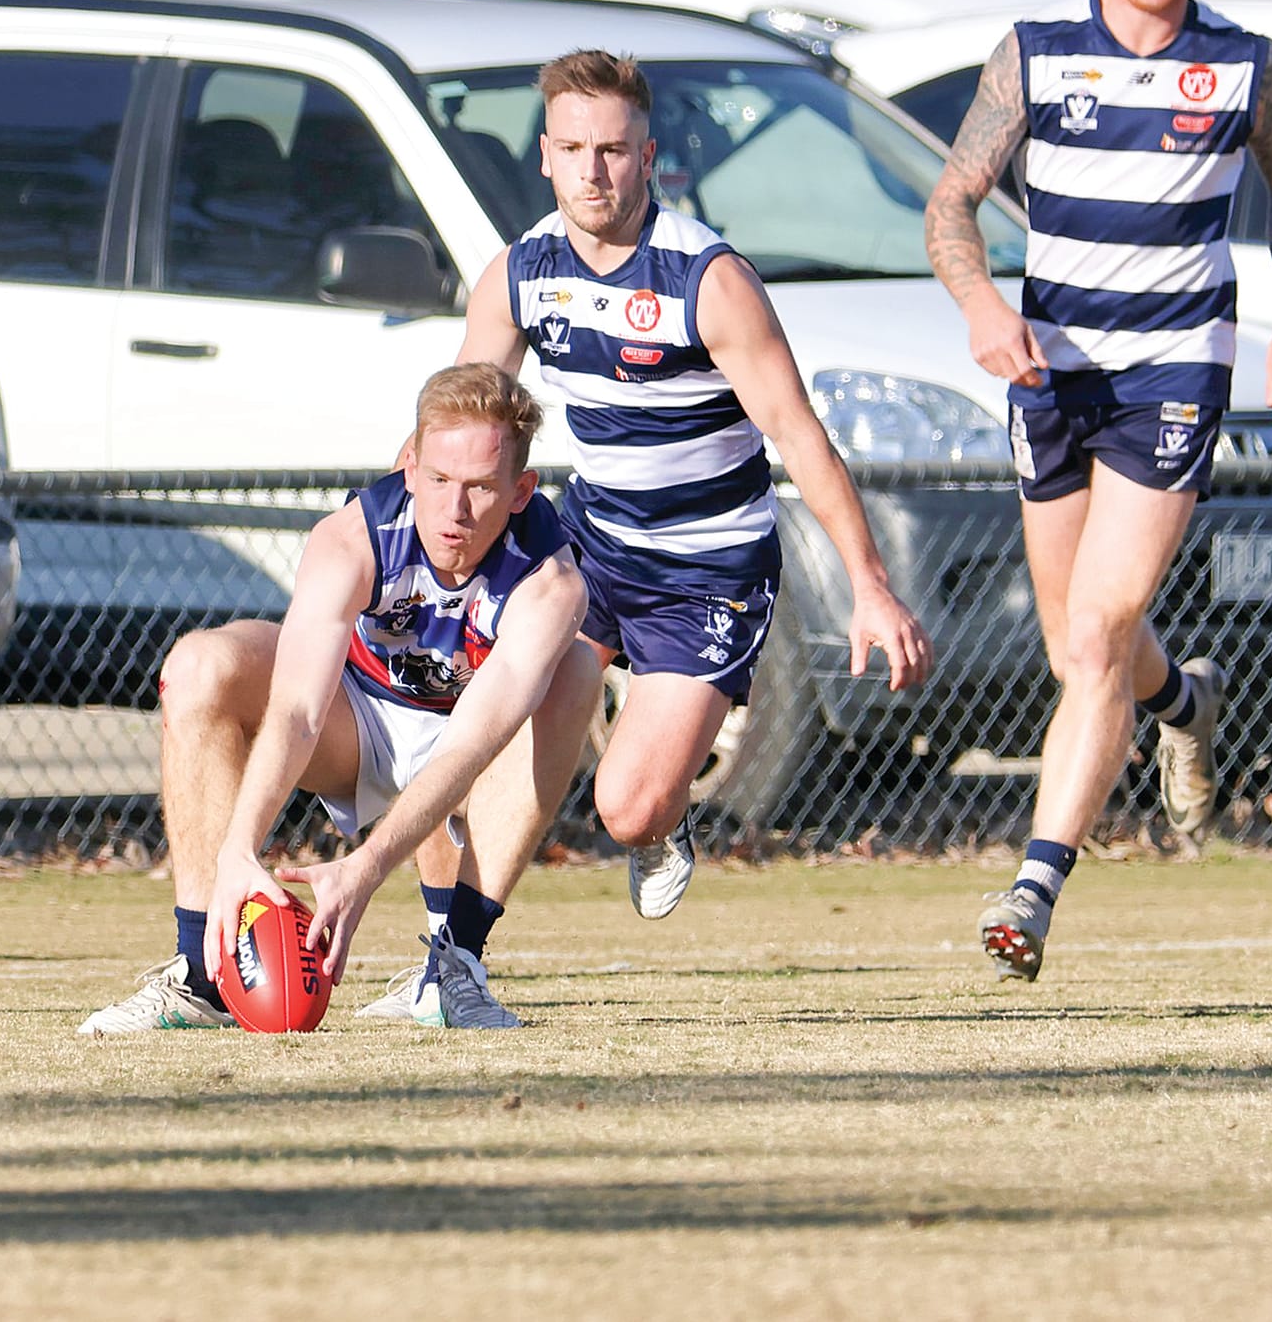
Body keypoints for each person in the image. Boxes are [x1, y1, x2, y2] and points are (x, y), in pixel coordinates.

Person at [446, 50, 930, 927]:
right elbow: (460, 431)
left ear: (649, 155)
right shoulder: (519, 273)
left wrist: (869, 587)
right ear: (546, 155)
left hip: (706, 572)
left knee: (627, 805)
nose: (594, 171)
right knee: (501, 722)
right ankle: (455, 954)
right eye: (575, 148)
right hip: (591, 546)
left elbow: (800, 439)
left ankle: (659, 825)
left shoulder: (706, 280)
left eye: (615, 150)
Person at [925, 0, 1272, 981]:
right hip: (1047, 372)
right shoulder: (1034, 56)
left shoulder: (1249, 64)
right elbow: (949, 201)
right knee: (1078, 648)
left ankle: (1032, 887)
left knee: (1101, 629)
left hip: (1174, 372)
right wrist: (979, 304)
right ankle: (1184, 704)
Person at [76, 363, 598, 1033]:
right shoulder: (351, 539)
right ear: (409, 467)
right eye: (438, 480)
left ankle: (455, 964)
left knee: (577, 669)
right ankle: (202, 975)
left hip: (464, 742)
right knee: (199, 664)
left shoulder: (550, 581)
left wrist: (366, 868)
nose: (454, 509)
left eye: (479, 487)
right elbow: (297, 708)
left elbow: (470, 744)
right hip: (357, 719)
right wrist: (240, 847)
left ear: (521, 489)